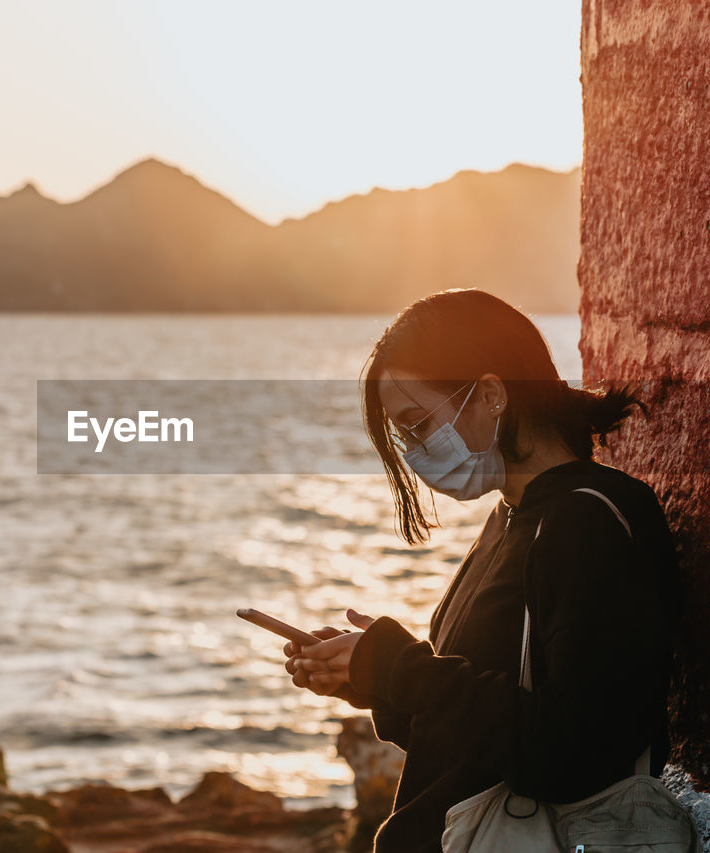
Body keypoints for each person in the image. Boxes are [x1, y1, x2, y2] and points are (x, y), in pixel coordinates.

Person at [283, 289, 682, 853]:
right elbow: (478, 733)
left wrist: (402, 667)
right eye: (404, 437)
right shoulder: (512, 515)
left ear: (491, 394)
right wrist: (373, 679)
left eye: (419, 424)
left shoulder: (586, 522)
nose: (416, 453)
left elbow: (575, 751)